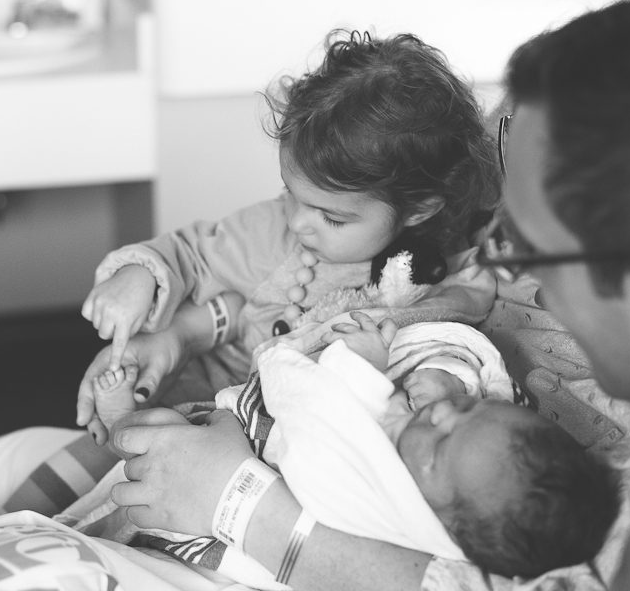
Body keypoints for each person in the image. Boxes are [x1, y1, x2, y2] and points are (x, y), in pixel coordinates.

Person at [107, 0, 630, 590]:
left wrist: (244, 504)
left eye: (526, 247)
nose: (490, 260)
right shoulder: (532, 131)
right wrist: (186, 329)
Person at [78, 29, 501, 444]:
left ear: (420, 209)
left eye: (331, 217)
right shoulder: (272, 232)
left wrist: (445, 377)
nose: (297, 222)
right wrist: (138, 273)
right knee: (143, 433)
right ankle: (124, 424)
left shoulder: (436, 280)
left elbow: (451, 330)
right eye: (291, 193)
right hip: (209, 393)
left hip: (290, 437)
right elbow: (192, 253)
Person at [76, 320, 618, 585]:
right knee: (151, 440)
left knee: (150, 445)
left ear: (447, 522)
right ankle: (121, 429)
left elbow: (322, 434)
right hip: (222, 437)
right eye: (465, 411)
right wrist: (447, 375)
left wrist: (356, 369)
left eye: (442, 442)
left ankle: (121, 430)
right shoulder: (469, 456)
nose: (438, 416)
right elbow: (480, 364)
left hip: (218, 518)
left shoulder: (397, 509)